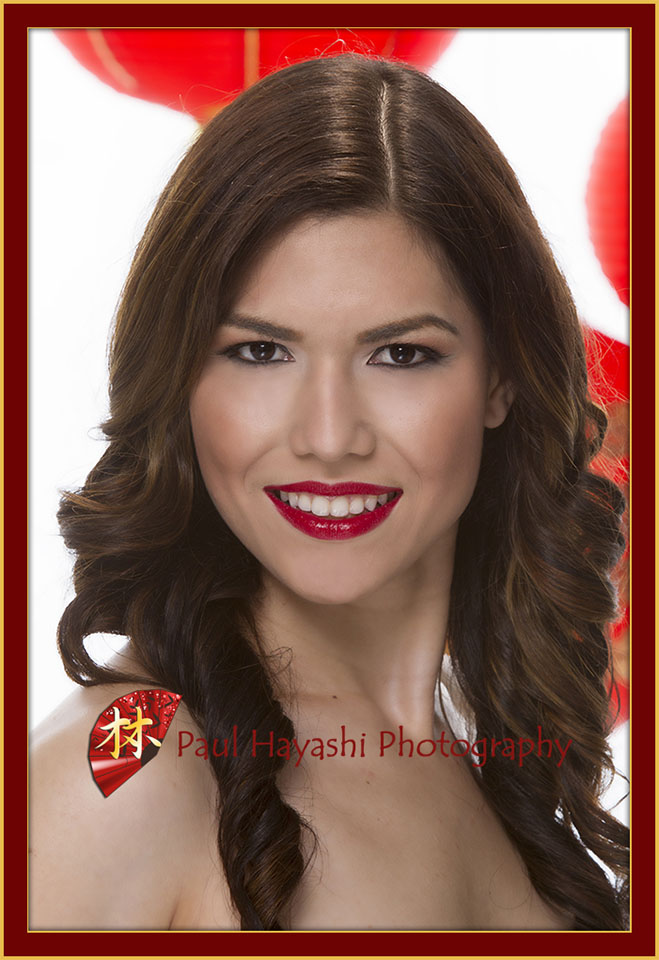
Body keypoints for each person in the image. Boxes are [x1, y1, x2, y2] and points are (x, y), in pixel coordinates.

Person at [29, 53, 629, 931]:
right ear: (179, 378)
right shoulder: (128, 754)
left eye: (400, 354)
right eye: (260, 352)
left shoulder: (494, 762)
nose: (328, 435)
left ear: (500, 377)